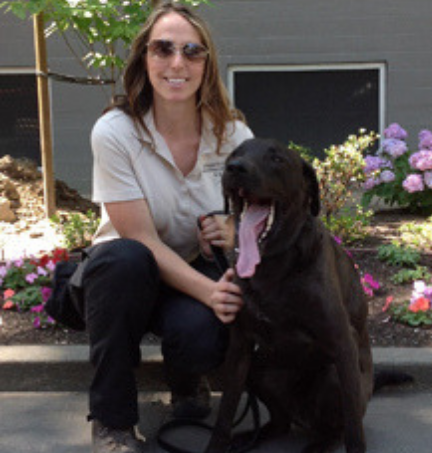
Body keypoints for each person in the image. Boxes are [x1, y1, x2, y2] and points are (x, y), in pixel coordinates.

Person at [78, 2, 254, 452]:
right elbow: (139, 237)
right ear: (144, 59)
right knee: (125, 258)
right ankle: (112, 422)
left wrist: (232, 230)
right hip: (121, 280)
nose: (178, 63)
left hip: (187, 273)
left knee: (202, 336)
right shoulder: (116, 132)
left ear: (207, 64)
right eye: (164, 49)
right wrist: (211, 292)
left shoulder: (233, 136)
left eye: (192, 51)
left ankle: (186, 378)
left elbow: (255, 216)